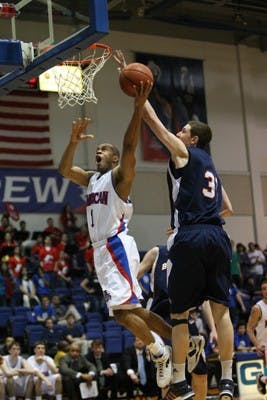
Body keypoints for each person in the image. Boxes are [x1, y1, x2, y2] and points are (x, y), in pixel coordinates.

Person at [115, 49, 234, 400]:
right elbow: (227, 207)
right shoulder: (210, 164)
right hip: (217, 235)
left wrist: (141, 91)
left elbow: (153, 123)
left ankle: (179, 381)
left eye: (183, 130)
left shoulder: (184, 153)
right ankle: (226, 380)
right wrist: (198, 219)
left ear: (193, 139)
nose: (178, 133)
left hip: (192, 238)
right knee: (222, 311)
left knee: (179, 314)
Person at [58, 80, 172, 388]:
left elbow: (130, 145)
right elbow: (65, 170)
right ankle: (180, 340)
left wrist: (137, 110)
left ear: (115, 159)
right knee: (133, 310)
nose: (98, 151)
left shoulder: (120, 178)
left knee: (121, 315)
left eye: (104, 150)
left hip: (115, 245)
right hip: (103, 251)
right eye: (96, 149)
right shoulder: (93, 179)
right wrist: (71, 142)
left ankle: (159, 352)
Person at [247, 278, 267, 395]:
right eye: (263, 289)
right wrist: (257, 344)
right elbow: (249, 328)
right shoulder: (257, 308)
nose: (266, 291)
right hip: (265, 346)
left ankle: (261, 379)